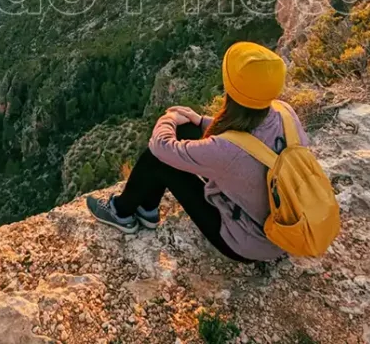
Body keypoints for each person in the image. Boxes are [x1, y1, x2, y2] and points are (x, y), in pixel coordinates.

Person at [86, 41, 308, 263]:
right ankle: (147, 210)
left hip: (251, 243)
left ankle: (120, 211)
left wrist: (168, 119)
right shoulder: (284, 112)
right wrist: (200, 121)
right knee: (187, 129)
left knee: (159, 159)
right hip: (287, 223)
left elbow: (161, 147)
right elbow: (252, 139)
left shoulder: (226, 151)